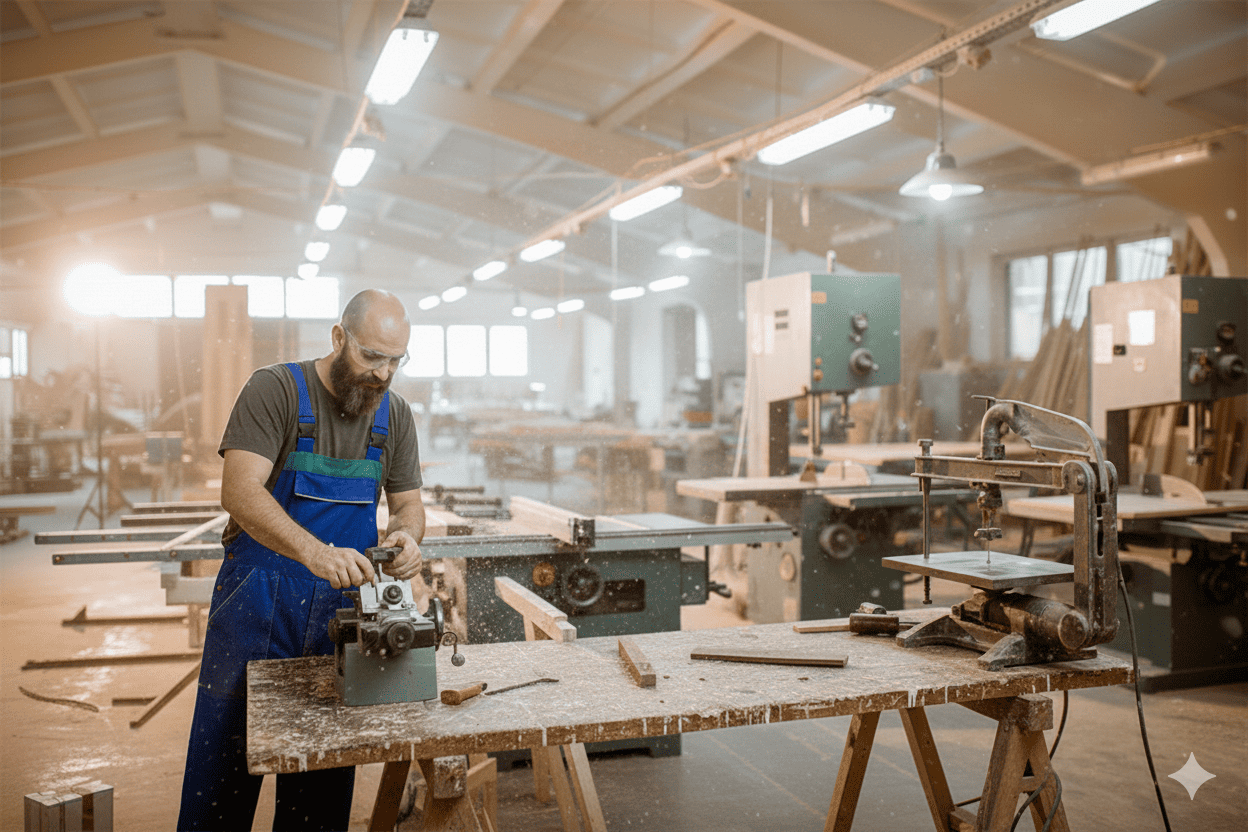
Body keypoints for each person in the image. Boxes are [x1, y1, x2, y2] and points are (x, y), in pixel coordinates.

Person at [178, 289, 425, 831]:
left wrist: (407, 538)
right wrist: (313, 552)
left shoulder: (396, 415)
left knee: (321, 785)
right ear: (339, 339)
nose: (382, 374)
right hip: (256, 603)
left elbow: (408, 506)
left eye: (395, 361)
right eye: (371, 356)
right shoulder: (276, 390)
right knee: (224, 773)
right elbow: (240, 491)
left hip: (339, 616)